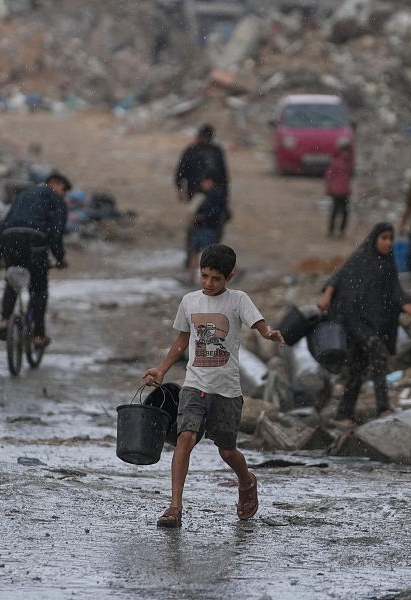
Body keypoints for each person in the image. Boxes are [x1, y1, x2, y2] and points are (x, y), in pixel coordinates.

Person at [143, 244, 285, 528]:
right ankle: (174, 506)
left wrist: (268, 333)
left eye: (215, 278)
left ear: (229, 276)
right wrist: (161, 369)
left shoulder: (238, 300)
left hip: (227, 389)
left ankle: (246, 479)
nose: (208, 283)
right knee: (185, 438)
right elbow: (182, 340)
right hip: (194, 384)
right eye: (204, 276)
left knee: (227, 452)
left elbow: (259, 323)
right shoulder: (190, 301)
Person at [317, 223, 411, 424]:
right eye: (384, 238)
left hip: (375, 323)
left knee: (358, 367)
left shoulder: (388, 264)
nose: (388, 243)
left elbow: (396, 292)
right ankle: (383, 407)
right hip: (354, 320)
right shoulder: (360, 258)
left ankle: (344, 412)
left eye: (390, 238)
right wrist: (326, 297)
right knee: (379, 356)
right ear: (374, 239)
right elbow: (337, 278)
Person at [0, 173, 70, 349]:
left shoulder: (23, 196)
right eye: (64, 190)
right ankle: (39, 335)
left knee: (12, 279)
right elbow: (56, 234)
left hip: (10, 238)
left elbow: (3, 225)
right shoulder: (56, 200)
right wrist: (60, 258)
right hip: (35, 240)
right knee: (39, 288)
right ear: (56, 184)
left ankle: (4, 320)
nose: (64, 195)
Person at [174, 124, 231, 255]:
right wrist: (181, 189)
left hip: (216, 197)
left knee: (215, 228)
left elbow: (224, 176)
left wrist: (224, 197)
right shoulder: (191, 151)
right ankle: (191, 259)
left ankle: (212, 256)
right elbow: (180, 173)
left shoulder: (216, 152)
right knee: (195, 227)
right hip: (196, 196)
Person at [186, 172, 227, 283]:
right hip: (201, 228)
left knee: (211, 255)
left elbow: (215, 213)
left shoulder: (215, 195)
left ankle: (233, 271)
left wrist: (201, 217)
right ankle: (190, 276)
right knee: (195, 252)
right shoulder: (206, 194)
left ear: (210, 182)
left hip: (209, 228)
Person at [324, 139, 354, 237]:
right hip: (336, 191)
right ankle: (331, 230)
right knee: (335, 211)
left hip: (345, 192)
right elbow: (329, 176)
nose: (346, 153)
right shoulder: (336, 163)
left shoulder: (348, 163)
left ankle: (341, 231)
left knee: (344, 212)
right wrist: (329, 188)